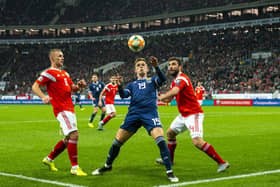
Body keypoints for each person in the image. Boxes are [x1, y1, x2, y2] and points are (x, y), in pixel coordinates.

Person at [91, 57, 179, 182]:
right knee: (117, 142)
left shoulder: (153, 80)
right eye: (138, 65)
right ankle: (107, 166)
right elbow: (123, 95)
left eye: (143, 64)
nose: (141, 66)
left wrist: (156, 66)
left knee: (160, 139)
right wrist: (120, 86)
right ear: (135, 69)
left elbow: (163, 80)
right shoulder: (132, 85)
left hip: (150, 114)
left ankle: (170, 172)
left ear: (147, 68)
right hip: (133, 114)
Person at [156, 57, 229, 173]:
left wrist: (161, 97)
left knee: (197, 141)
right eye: (169, 65)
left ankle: (222, 163)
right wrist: (158, 98)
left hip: (193, 114)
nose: (170, 66)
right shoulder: (175, 82)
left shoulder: (182, 79)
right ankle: (170, 160)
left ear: (180, 67)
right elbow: (169, 98)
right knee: (170, 133)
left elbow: (174, 92)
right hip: (184, 115)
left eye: (174, 64)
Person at [32, 49, 87, 176]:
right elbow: (35, 86)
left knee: (68, 138)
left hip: (70, 109)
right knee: (74, 135)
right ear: (52, 59)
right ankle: (74, 167)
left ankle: (49, 159)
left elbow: (72, 89)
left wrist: (79, 86)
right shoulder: (48, 73)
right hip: (61, 109)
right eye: (59, 56)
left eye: (63, 56)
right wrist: (43, 97)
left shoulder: (65, 74)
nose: (62, 58)